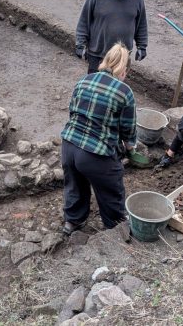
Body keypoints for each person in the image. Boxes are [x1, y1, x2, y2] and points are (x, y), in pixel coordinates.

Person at [60, 43, 137, 234]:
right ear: (123, 69)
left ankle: (73, 222)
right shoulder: (124, 91)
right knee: (111, 190)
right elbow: (128, 129)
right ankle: (115, 227)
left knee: (75, 186)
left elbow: (73, 113)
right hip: (95, 154)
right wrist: (130, 149)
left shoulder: (83, 81)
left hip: (68, 146)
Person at [75, 0, 148, 74]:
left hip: (122, 55)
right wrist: (80, 45)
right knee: (95, 85)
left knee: (116, 87)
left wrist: (142, 46)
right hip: (98, 53)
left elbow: (141, 22)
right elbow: (84, 20)